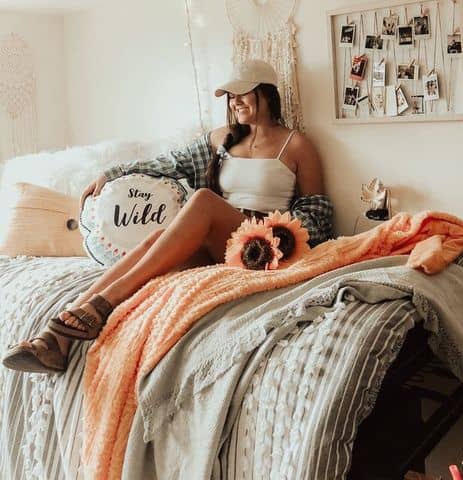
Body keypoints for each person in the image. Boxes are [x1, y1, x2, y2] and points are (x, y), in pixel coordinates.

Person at [3, 59, 333, 374]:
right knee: (155, 241)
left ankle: (101, 306)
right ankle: (54, 338)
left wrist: (272, 230)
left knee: (204, 199)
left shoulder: (297, 145)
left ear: (267, 93)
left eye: (243, 93)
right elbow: (170, 164)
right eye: (231, 96)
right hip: (220, 243)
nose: (235, 102)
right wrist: (113, 172)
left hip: (260, 247)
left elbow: (317, 215)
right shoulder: (222, 138)